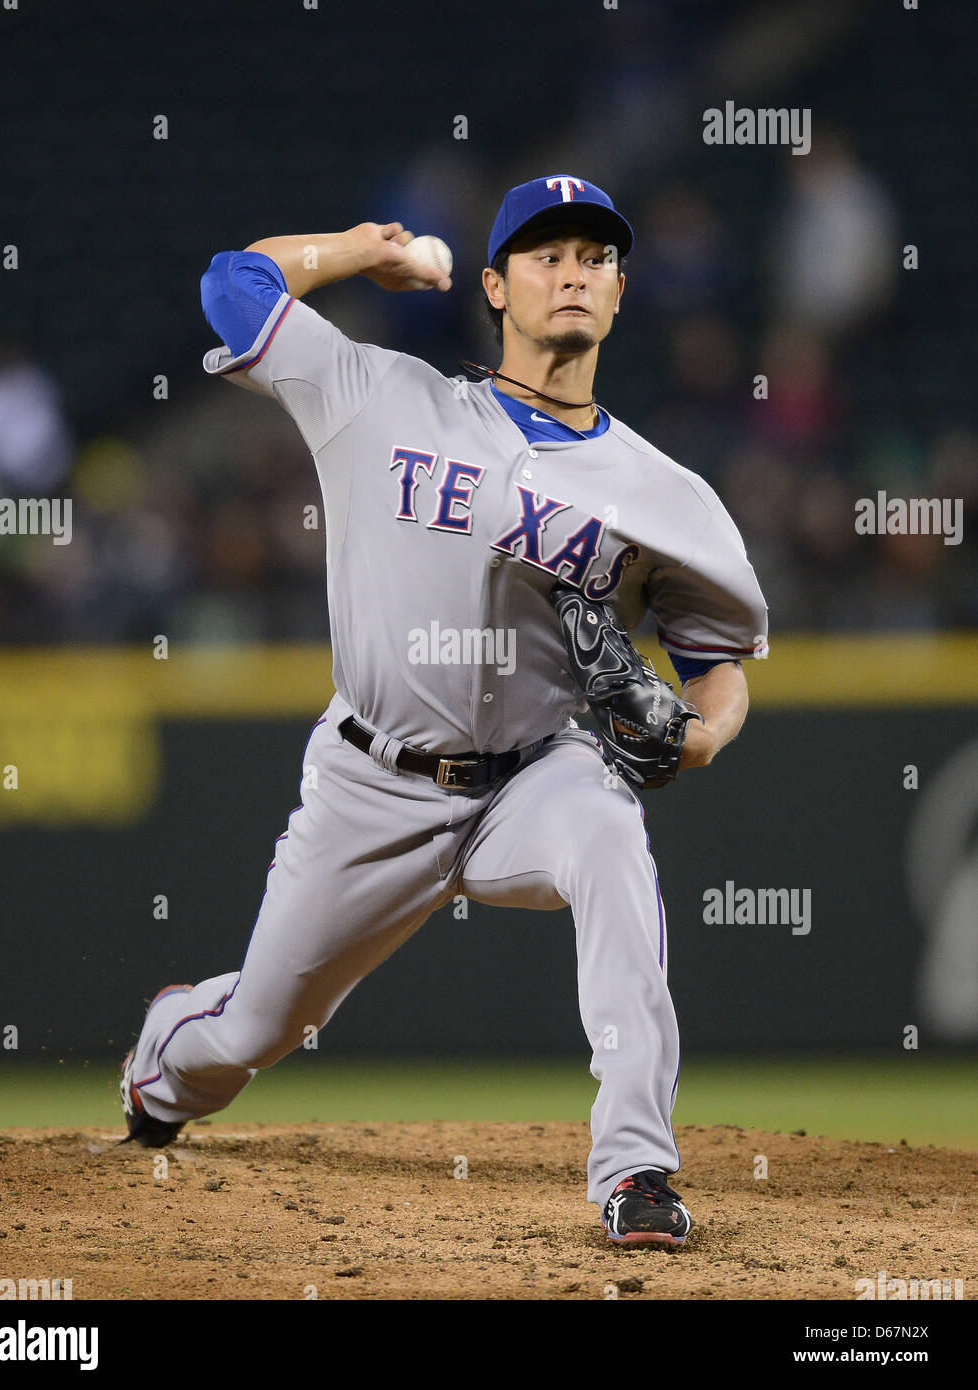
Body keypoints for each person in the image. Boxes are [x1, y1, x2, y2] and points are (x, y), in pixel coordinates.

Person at [120, 176, 768, 1247]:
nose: (571, 271)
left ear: (617, 293)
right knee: (253, 1031)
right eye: (544, 253)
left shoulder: (666, 495)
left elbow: (719, 664)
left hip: (537, 773)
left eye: (593, 257)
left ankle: (636, 1168)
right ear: (494, 287)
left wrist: (702, 729)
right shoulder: (380, 394)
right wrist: (357, 249)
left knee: (610, 838)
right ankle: (161, 1063)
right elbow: (230, 286)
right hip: (372, 784)